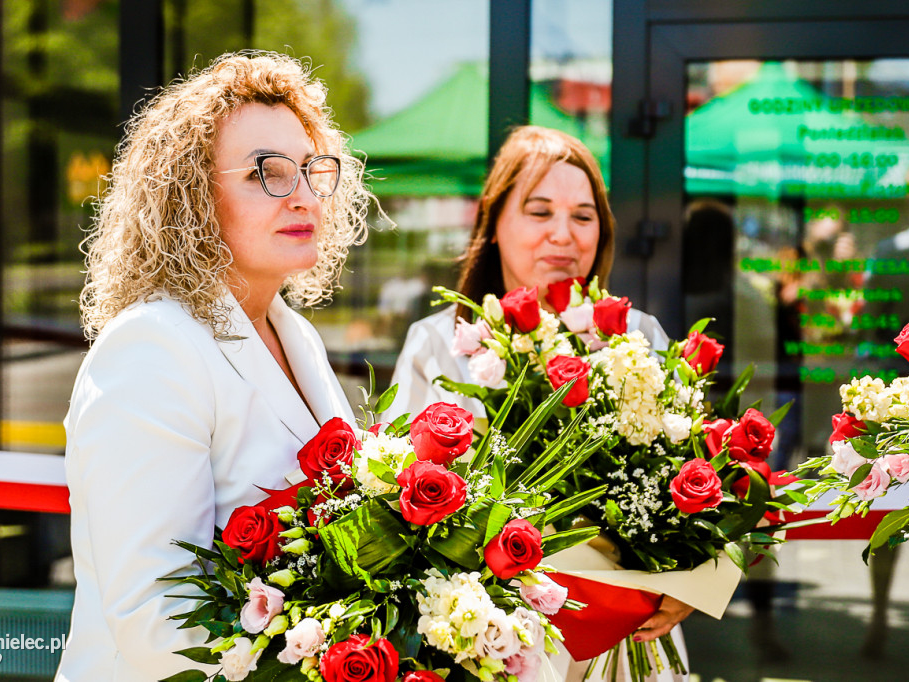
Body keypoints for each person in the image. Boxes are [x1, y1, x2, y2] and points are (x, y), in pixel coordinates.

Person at [55, 52, 372, 681]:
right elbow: (157, 619)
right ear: (192, 199)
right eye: (267, 174)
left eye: (313, 170)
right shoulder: (150, 347)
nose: (304, 195)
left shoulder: (295, 334)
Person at [385, 126, 689, 682]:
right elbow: (394, 495)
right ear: (494, 223)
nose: (563, 235)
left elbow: (696, 481)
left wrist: (693, 580)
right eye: (540, 211)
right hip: (492, 640)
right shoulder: (437, 342)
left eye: (582, 215)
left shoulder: (640, 337)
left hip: (626, 641)